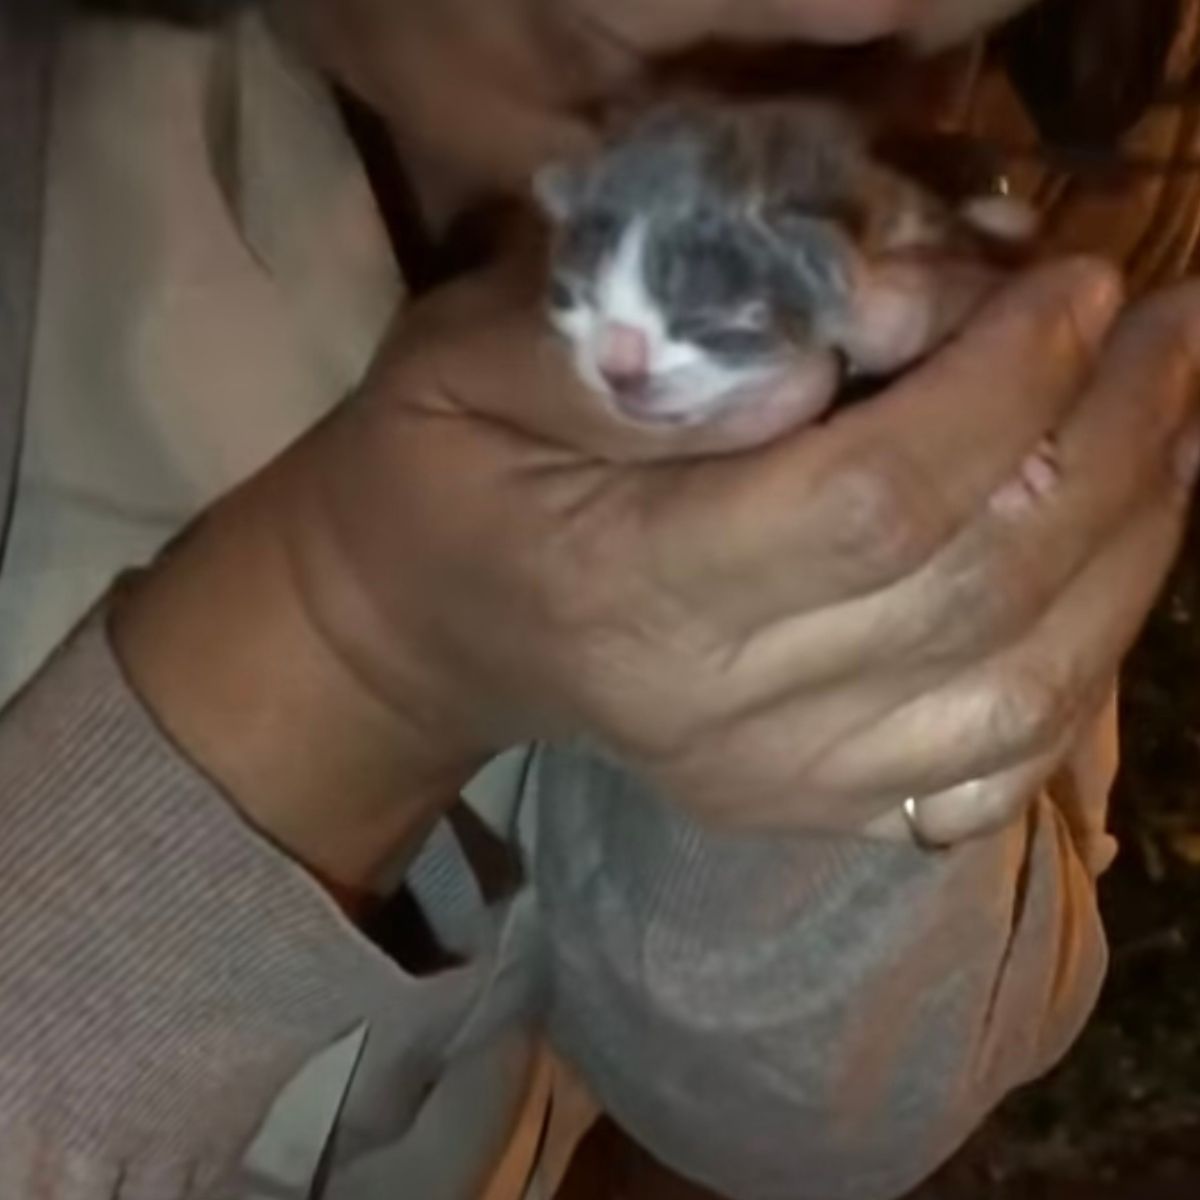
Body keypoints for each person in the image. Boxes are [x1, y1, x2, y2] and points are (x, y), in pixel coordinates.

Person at [0, 1, 1197, 1197]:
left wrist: (829, 684)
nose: (856, 8)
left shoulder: (1021, 119)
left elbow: (828, 1119)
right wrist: (346, 653)